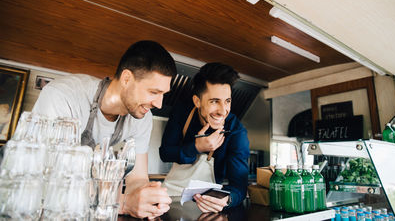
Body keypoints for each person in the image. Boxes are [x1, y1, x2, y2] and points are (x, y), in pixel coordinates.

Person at [32, 40, 176, 219]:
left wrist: (148, 199)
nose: (159, 104)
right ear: (126, 79)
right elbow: (53, 177)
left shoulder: (142, 117)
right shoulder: (64, 95)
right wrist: (122, 203)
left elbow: (138, 177)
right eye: (154, 92)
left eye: (163, 94)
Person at [159, 62, 250, 212]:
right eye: (214, 101)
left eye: (227, 101)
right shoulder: (182, 112)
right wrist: (196, 147)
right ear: (197, 101)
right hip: (171, 198)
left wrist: (228, 199)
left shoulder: (236, 131)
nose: (222, 111)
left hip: (208, 204)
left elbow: (239, 185)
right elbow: (165, 153)